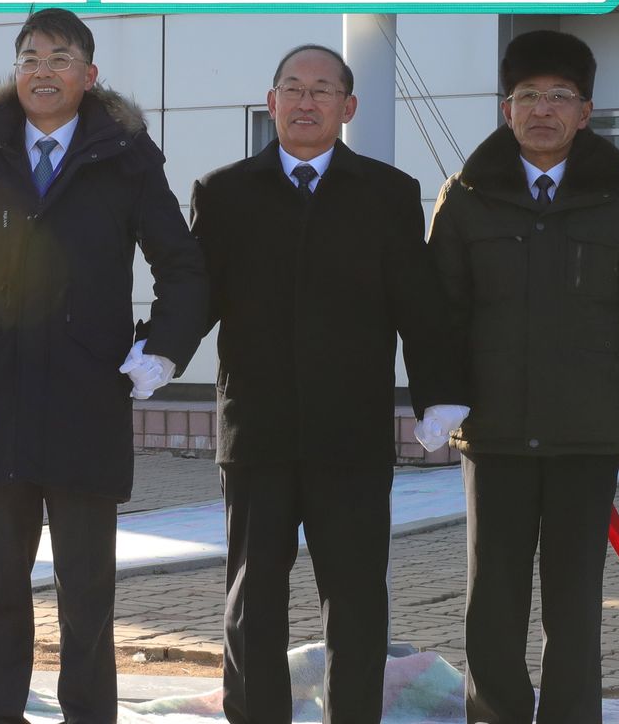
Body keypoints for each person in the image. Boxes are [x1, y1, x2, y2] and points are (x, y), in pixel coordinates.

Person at [0, 8, 209, 724]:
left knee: (87, 595)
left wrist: (164, 346)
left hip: (85, 401)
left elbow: (183, 266)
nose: (44, 71)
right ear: (16, 72)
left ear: (89, 75)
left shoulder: (127, 157)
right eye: (31, 58)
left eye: (60, 58)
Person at [189, 45, 460, 724]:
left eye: (321, 90)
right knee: (254, 600)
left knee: (358, 600)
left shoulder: (387, 194)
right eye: (292, 88)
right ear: (272, 102)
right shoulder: (223, 193)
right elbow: (194, 300)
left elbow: (420, 306)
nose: (305, 102)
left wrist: (437, 393)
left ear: (348, 107)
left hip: (352, 434)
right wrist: (151, 352)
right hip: (257, 432)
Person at [420, 30, 619, 724]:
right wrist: (440, 395)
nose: (543, 109)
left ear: (585, 111)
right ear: (505, 108)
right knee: (493, 596)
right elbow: (438, 311)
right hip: (496, 431)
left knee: (575, 599)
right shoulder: (466, 196)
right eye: (528, 95)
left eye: (560, 96)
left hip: (586, 432)